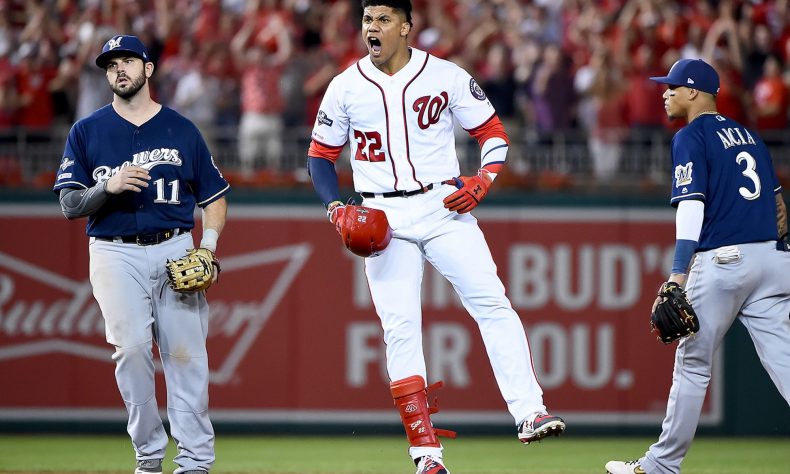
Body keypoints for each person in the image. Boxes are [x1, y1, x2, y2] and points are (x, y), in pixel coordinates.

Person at [306, 2, 565, 473]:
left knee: (491, 300)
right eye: (367, 20)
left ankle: (529, 412)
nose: (373, 28)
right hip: (381, 211)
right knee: (400, 328)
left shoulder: (444, 74)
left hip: (442, 203)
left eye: (383, 20)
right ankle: (426, 455)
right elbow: (320, 157)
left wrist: (482, 180)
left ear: (406, 27)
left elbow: (493, 133)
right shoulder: (344, 86)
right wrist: (335, 207)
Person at [52, 35, 229, 474]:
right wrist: (105, 187)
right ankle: (149, 456)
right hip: (114, 253)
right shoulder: (87, 131)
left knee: (187, 357)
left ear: (148, 69)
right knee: (130, 351)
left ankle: (195, 463)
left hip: (174, 246)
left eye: (128, 61)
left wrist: (207, 246)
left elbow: (214, 195)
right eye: (112, 65)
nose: (120, 70)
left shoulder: (181, 128)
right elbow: (69, 205)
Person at [605, 59, 790, 474]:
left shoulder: (691, 136)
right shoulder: (751, 137)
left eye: (672, 86)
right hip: (774, 260)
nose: (665, 93)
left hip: (724, 261)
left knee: (692, 364)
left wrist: (676, 275)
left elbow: (692, 205)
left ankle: (661, 466)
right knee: (785, 359)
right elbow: (779, 207)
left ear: (694, 92)